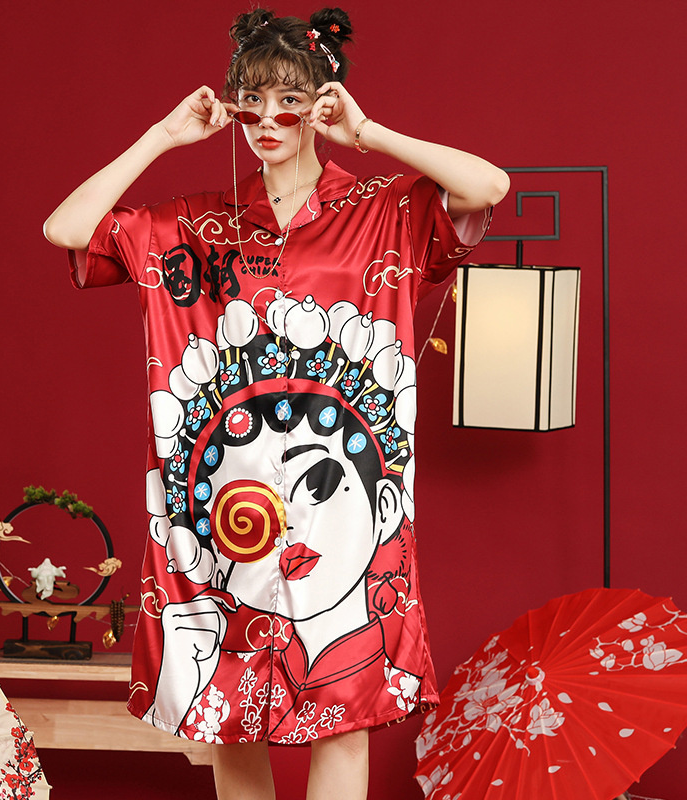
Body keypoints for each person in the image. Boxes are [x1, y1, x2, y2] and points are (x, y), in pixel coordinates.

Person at [44, 7, 509, 799]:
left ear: (321, 103)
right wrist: (161, 137)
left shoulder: (382, 212)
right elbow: (66, 228)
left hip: (339, 512)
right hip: (226, 514)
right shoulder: (195, 224)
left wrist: (369, 134)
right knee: (231, 719)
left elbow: (488, 186)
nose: (267, 119)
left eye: (288, 100)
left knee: (344, 720)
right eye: (251, 101)